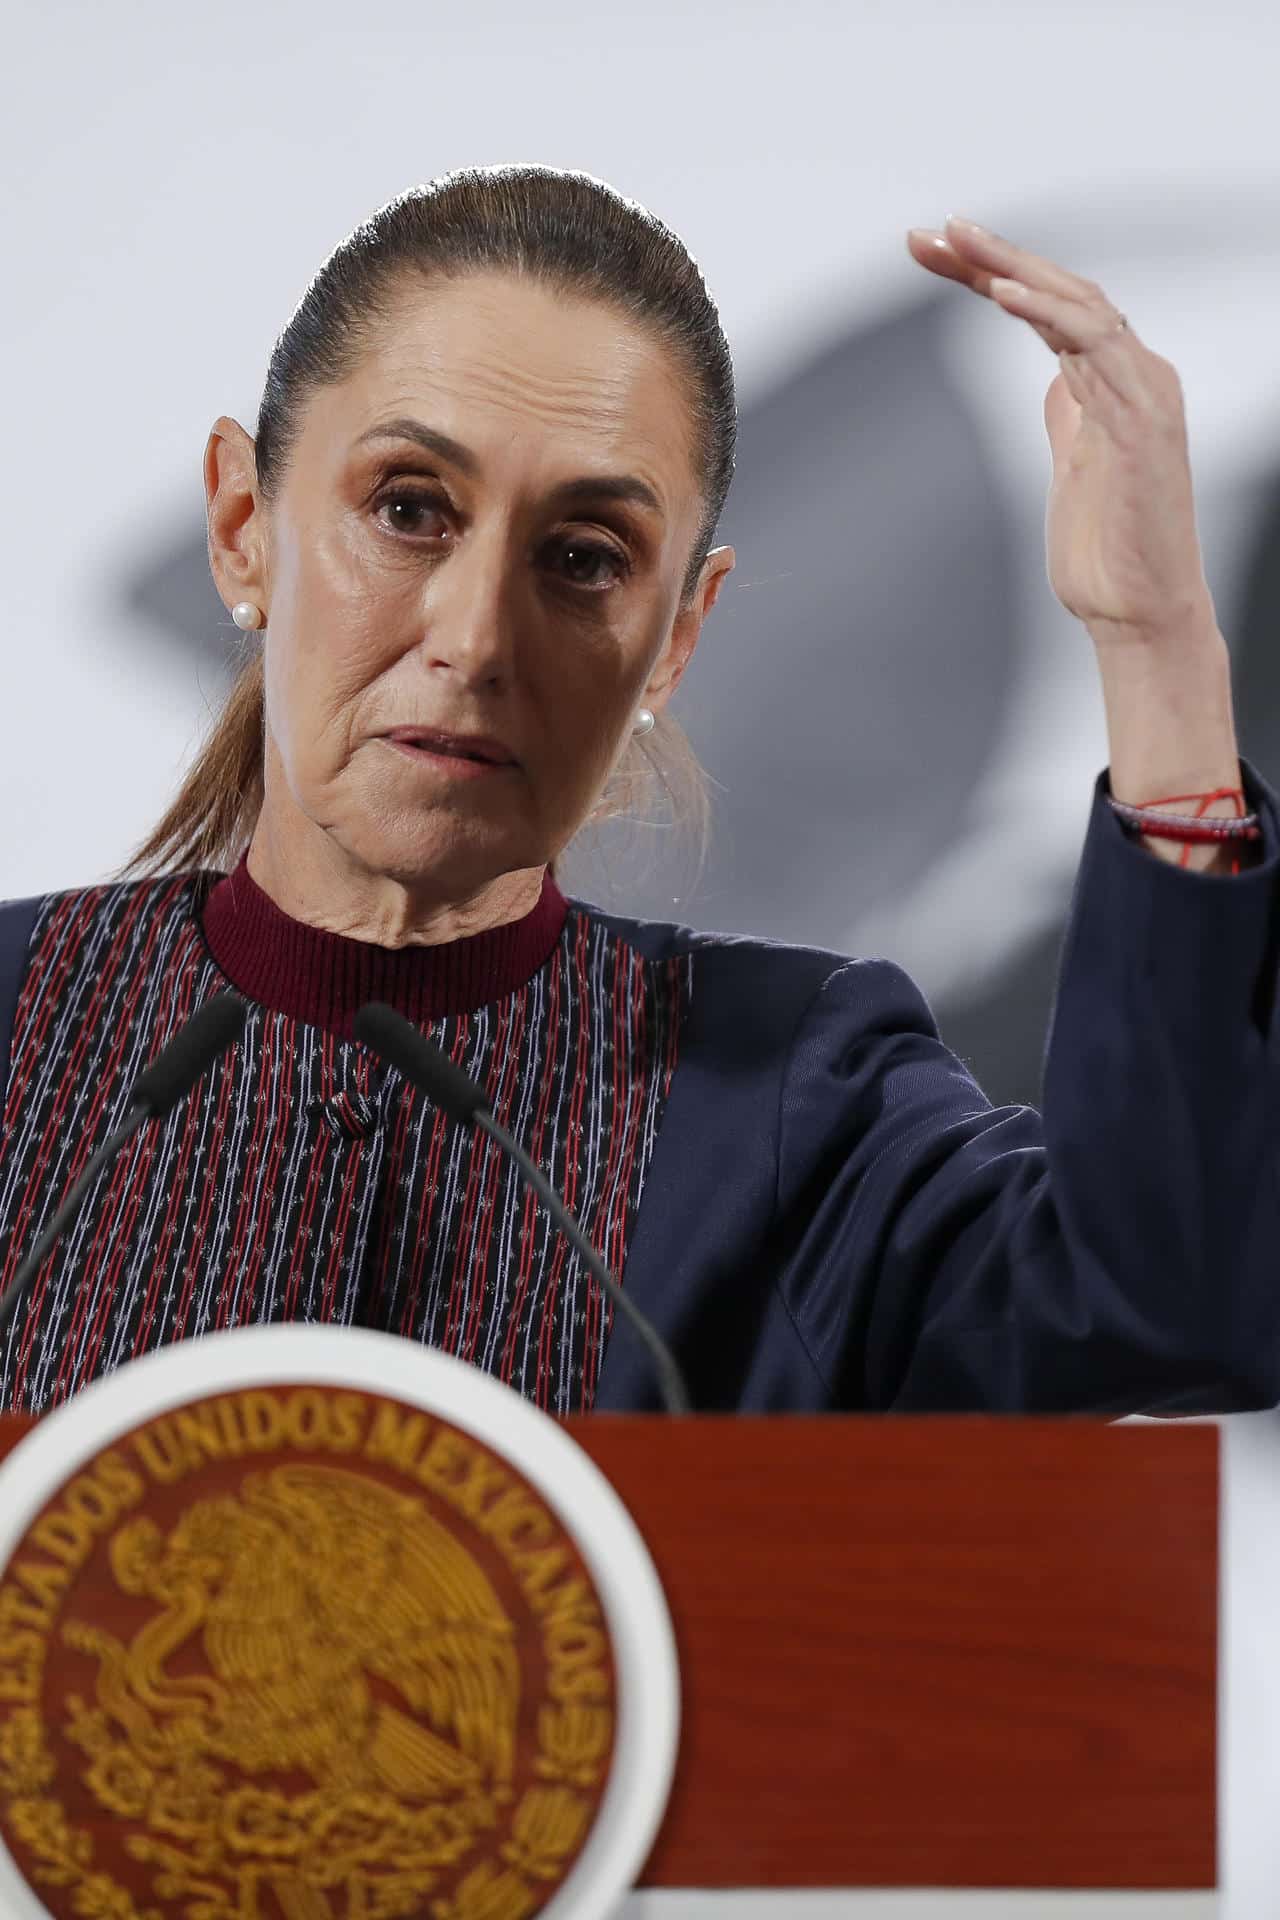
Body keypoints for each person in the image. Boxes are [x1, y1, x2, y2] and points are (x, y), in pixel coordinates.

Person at [0, 165, 1275, 1420]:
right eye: (405, 509)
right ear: (242, 528)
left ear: (676, 634)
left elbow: (1162, 1308)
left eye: (584, 557)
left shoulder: (788, 1089)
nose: (477, 635)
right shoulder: (24, 1033)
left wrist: (1156, 647)